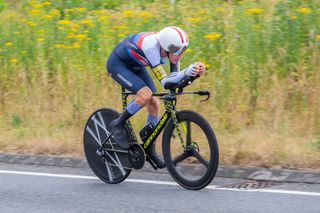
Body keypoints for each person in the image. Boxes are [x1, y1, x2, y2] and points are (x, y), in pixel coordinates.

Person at [106, 26, 205, 168]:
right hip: (118, 64)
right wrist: (186, 71)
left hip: (136, 65)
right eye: (178, 50)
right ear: (166, 47)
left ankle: (149, 147)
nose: (180, 54)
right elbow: (166, 82)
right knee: (145, 95)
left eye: (183, 50)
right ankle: (118, 122)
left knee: (154, 102)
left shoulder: (170, 50)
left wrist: (193, 73)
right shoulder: (151, 46)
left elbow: (174, 79)